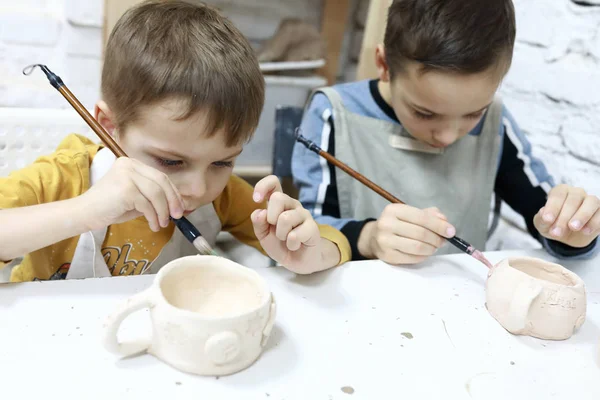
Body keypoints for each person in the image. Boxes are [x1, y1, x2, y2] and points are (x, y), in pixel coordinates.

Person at [0, 0, 351, 282]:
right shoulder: (64, 179)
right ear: (108, 126)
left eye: (223, 162)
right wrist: (83, 212)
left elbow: (334, 242)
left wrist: (309, 252)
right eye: (171, 162)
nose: (198, 189)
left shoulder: (224, 196)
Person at [292, 0, 599, 265]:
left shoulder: (496, 124)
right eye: (425, 113)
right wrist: (368, 238)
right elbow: (308, 233)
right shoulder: (335, 113)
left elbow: (542, 212)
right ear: (384, 65)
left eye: (473, 114)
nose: (448, 137)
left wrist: (570, 231)